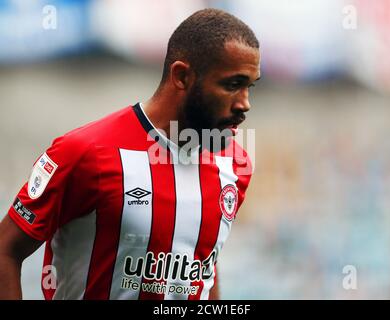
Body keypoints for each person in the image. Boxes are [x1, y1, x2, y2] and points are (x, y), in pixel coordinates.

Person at [0, 8, 260, 300]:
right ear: (182, 76)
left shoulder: (236, 165)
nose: (245, 103)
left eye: (250, 86)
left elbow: (205, 266)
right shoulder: (85, 152)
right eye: (232, 85)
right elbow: (6, 249)